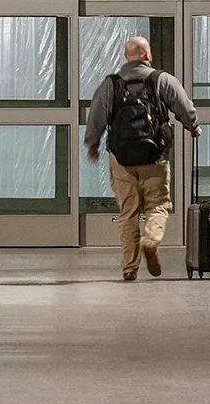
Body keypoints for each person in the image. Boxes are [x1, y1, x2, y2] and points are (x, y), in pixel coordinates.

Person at [83, 35, 197, 280]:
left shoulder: (110, 84)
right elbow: (184, 108)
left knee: (128, 213)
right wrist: (193, 126)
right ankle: (151, 240)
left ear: (126, 56)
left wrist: (92, 145)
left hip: (121, 159)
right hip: (154, 156)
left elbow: (96, 118)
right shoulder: (161, 79)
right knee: (158, 205)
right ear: (147, 55)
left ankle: (129, 267)